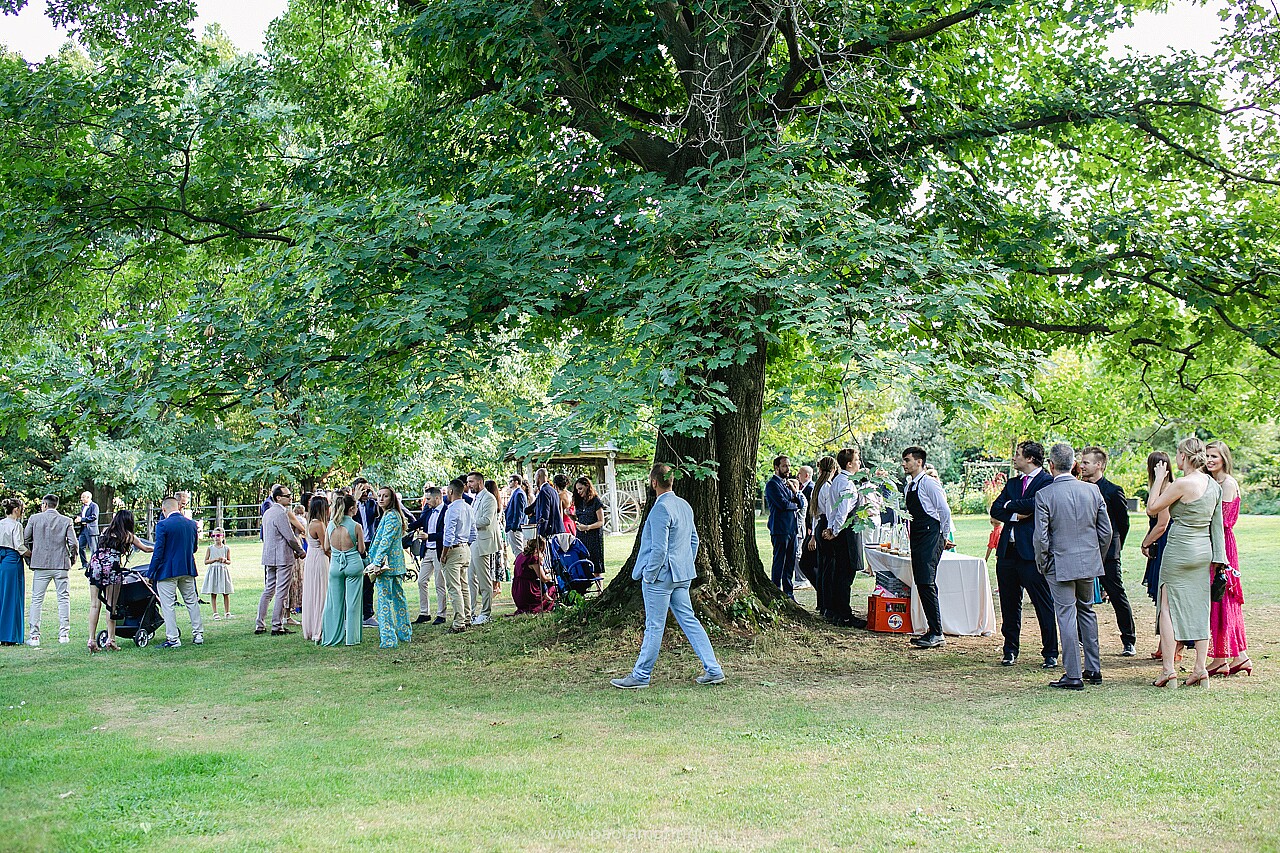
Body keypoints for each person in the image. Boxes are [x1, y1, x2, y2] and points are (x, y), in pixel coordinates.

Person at [612, 464, 725, 689]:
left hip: (661, 577)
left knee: (654, 626)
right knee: (689, 621)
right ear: (672, 481)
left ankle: (641, 675)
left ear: (654, 482)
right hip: (681, 575)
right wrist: (684, 564)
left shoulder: (660, 509)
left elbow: (659, 549)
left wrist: (649, 575)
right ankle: (713, 669)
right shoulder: (684, 505)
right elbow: (694, 540)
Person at [1146, 437, 1227, 689]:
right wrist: (1219, 559)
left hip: (1180, 549)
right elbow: (1217, 527)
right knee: (1200, 608)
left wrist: (1159, 479)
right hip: (1203, 551)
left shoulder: (1182, 483)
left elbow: (1152, 508)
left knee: (1167, 608)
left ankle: (1169, 670)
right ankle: (1200, 669)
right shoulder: (1213, 485)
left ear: (1183, 456)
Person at [1033, 443, 1113, 690]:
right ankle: (1093, 668)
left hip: (1060, 563)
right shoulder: (1092, 491)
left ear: (1051, 465)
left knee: (1066, 614)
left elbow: (1041, 537)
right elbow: (1106, 531)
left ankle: (1073, 674)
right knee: (1086, 611)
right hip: (1087, 562)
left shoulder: (1045, 495)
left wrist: (1044, 562)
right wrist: (1095, 555)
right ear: (1074, 465)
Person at [990, 441, 1060, 669]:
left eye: (1018, 455)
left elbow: (1036, 504)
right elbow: (996, 509)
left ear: (1030, 458)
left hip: (1032, 554)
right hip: (1007, 553)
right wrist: (1014, 514)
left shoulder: (1047, 482)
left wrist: (1012, 505)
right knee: (1009, 604)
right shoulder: (1012, 483)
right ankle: (1010, 649)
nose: (1014, 458)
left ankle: (1050, 652)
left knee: (1043, 603)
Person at [1078, 446, 1137, 656]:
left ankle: (1129, 640)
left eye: (1086, 462)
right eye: (1081, 462)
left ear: (1099, 465)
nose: (1082, 466)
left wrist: (1115, 549)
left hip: (1109, 553)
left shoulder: (1113, 490)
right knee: (1081, 596)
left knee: (1116, 594)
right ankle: (1080, 638)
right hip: (1083, 551)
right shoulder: (1079, 488)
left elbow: (1123, 524)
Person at [1205, 441, 1250, 677]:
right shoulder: (1211, 481)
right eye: (1207, 455)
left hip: (1223, 544)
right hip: (1214, 542)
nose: (1210, 459)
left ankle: (1224, 657)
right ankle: (1238, 656)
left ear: (1224, 458)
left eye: (1214, 456)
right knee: (1219, 600)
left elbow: (1222, 521)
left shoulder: (1228, 483)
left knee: (1223, 597)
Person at [901, 447, 952, 649]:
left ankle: (937, 632)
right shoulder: (910, 486)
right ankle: (933, 629)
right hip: (918, 535)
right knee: (923, 582)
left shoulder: (929, 483)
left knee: (926, 581)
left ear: (919, 462)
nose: (904, 464)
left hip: (931, 534)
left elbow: (944, 511)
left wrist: (943, 536)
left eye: (907, 460)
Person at [87, 510, 152, 652]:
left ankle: (91, 639)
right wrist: (160, 548)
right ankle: (111, 639)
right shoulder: (128, 536)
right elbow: (146, 549)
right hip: (112, 568)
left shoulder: (105, 531)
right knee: (111, 605)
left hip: (95, 566)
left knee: (94, 605)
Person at [149, 496, 203, 649]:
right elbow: (194, 548)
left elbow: (158, 551)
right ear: (179, 506)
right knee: (191, 601)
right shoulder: (191, 524)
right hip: (187, 567)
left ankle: (173, 638)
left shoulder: (163, 525)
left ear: (164, 509)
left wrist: (151, 573)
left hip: (168, 570)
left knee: (168, 605)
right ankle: (198, 634)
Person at [24, 494, 78, 647]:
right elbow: (73, 543)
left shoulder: (34, 519)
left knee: (37, 600)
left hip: (40, 564)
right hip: (60, 564)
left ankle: (34, 636)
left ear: (45, 505)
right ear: (56, 505)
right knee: (63, 599)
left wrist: (30, 559)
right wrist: (72, 558)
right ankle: (64, 634)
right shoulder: (66, 520)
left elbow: (25, 539)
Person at [820, 448, 866, 627]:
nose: (859, 463)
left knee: (840, 573)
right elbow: (842, 510)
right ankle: (845, 614)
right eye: (857, 460)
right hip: (847, 533)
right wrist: (836, 530)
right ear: (849, 463)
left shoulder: (838, 480)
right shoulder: (846, 482)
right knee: (846, 574)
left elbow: (833, 509)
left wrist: (831, 529)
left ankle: (837, 611)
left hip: (840, 532)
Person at [1140, 451, 1176, 660]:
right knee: (1162, 598)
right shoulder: (1159, 489)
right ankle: (1164, 642)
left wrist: (1146, 542)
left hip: (1165, 544)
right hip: (1158, 543)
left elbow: (1162, 524)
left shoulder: (1167, 489)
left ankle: (1170, 645)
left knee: (1165, 595)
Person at [366, 486, 411, 648]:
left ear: (392, 499)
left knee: (385, 602)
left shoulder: (391, 516)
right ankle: (404, 633)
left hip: (387, 566)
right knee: (399, 599)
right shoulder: (389, 515)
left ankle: (389, 638)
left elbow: (386, 541)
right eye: (379, 496)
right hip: (395, 565)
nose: (381, 499)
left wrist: (376, 563)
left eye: (385, 496)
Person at [257, 485, 304, 637]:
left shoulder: (267, 513)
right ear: (278, 497)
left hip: (269, 556)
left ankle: (260, 623)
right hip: (282, 557)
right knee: (281, 592)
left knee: (269, 590)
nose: (290, 498)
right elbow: (289, 536)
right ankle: (277, 625)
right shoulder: (280, 513)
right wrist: (300, 551)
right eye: (287, 495)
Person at [321, 495, 367, 646]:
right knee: (353, 603)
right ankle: (352, 638)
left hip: (335, 565)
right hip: (353, 564)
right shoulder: (356, 526)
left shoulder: (330, 525)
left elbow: (326, 548)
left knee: (334, 603)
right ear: (352, 508)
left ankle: (332, 637)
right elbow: (361, 549)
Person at [441, 480, 478, 633]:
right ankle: (467, 617)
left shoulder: (452, 509)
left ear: (451, 492)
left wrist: (444, 554)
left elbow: (448, 534)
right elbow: (473, 532)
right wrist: (466, 544)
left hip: (454, 549)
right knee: (464, 586)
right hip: (466, 548)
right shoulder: (469, 507)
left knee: (454, 587)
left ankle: (459, 622)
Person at [765, 455, 803, 600]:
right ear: (776, 468)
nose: (788, 469)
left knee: (790, 563)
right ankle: (776, 592)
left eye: (788, 465)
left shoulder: (787, 485)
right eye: (784, 466)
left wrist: (794, 491)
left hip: (792, 529)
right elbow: (783, 505)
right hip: (780, 529)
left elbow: (800, 503)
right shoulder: (772, 485)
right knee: (779, 562)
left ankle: (789, 594)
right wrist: (793, 505)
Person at [465, 473, 501, 626]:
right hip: (474, 542)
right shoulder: (476, 498)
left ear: (480, 482)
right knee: (470, 578)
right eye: (468, 482)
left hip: (483, 543)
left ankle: (486, 613)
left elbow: (486, 520)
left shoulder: (489, 498)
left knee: (484, 580)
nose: (469, 484)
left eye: (471, 481)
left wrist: (467, 522)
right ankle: (471, 612)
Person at [410, 487, 449, 625]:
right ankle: (424, 613)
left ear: (437, 498)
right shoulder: (427, 511)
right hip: (427, 551)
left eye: (428, 498)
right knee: (421, 581)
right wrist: (403, 526)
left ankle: (441, 614)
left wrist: (429, 536)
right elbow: (418, 523)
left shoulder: (446, 511)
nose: (426, 501)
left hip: (439, 551)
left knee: (440, 583)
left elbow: (446, 534)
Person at [806, 456, 837, 610]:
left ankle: (821, 603)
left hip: (819, 525)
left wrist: (814, 535)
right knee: (828, 567)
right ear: (834, 469)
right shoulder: (827, 487)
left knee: (822, 564)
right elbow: (830, 511)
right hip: (826, 524)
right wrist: (831, 529)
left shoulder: (817, 486)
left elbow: (814, 513)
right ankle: (827, 604)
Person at [0, 498, 29, 646]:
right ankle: (10, 636)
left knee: (2, 596)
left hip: (1, 560)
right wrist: (31, 554)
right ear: (17, 510)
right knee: (13, 597)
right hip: (12, 560)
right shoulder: (16, 525)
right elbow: (19, 546)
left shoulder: (0, 523)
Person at [301, 496, 331, 642]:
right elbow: (326, 547)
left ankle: (312, 626)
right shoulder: (319, 524)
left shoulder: (309, 522)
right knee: (321, 591)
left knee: (313, 591)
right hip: (319, 558)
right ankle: (319, 628)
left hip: (312, 557)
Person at [354, 479, 381, 627]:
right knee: (356, 580)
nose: (365, 493)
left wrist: (375, 495)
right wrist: (355, 498)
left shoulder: (372, 503)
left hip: (370, 544)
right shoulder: (351, 505)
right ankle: (354, 614)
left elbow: (381, 512)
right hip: (355, 545)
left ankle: (368, 614)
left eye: (367, 490)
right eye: (362, 490)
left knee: (369, 580)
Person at [573, 476, 607, 579]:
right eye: (577, 489)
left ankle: (599, 590)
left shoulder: (596, 501)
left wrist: (588, 527)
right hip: (581, 536)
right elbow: (579, 518)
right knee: (582, 563)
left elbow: (601, 521)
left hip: (593, 537)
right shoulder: (579, 501)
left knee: (596, 565)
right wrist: (571, 516)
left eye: (580, 489)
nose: (578, 492)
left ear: (587, 486)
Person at [512, 537, 556, 614]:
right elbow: (544, 579)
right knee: (553, 589)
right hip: (527, 590)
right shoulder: (533, 559)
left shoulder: (521, 556)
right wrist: (552, 577)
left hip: (517, 589)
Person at [202, 527, 234, 620]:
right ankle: (215, 613)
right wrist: (215, 560)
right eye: (214, 535)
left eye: (218, 535)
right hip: (213, 571)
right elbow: (206, 561)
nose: (216, 538)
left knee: (225, 592)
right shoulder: (210, 548)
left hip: (222, 571)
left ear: (223, 536)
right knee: (213, 592)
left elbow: (229, 561)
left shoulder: (226, 548)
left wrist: (224, 560)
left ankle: (227, 612)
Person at [795, 465, 815, 590]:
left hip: (806, 525)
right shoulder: (804, 488)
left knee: (801, 552)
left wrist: (809, 526)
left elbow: (811, 510)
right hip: (804, 525)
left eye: (800, 473)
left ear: (806, 475)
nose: (798, 476)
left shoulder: (810, 488)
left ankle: (802, 578)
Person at [503, 474, 529, 566]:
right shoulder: (516, 493)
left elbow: (519, 512)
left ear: (516, 482)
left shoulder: (519, 493)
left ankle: (522, 570)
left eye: (510, 481)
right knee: (517, 551)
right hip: (514, 527)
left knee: (519, 552)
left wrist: (514, 527)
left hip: (516, 528)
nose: (509, 483)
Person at [532, 468, 564, 539]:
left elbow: (544, 514)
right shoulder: (553, 490)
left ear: (538, 477)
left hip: (549, 531)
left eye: (535, 478)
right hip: (557, 529)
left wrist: (541, 533)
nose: (535, 481)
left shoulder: (544, 491)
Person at [73, 491, 100, 569]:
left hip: (91, 530)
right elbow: (82, 516)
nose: (81, 499)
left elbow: (94, 517)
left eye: (83, 497)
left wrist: (82, 519)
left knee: (93, 548)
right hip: (83, 529)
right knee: (80, 546)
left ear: (88, 497)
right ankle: (84, 564)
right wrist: (78, 519)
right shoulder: (83, 507)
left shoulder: (94, 506)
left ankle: (94, 565)